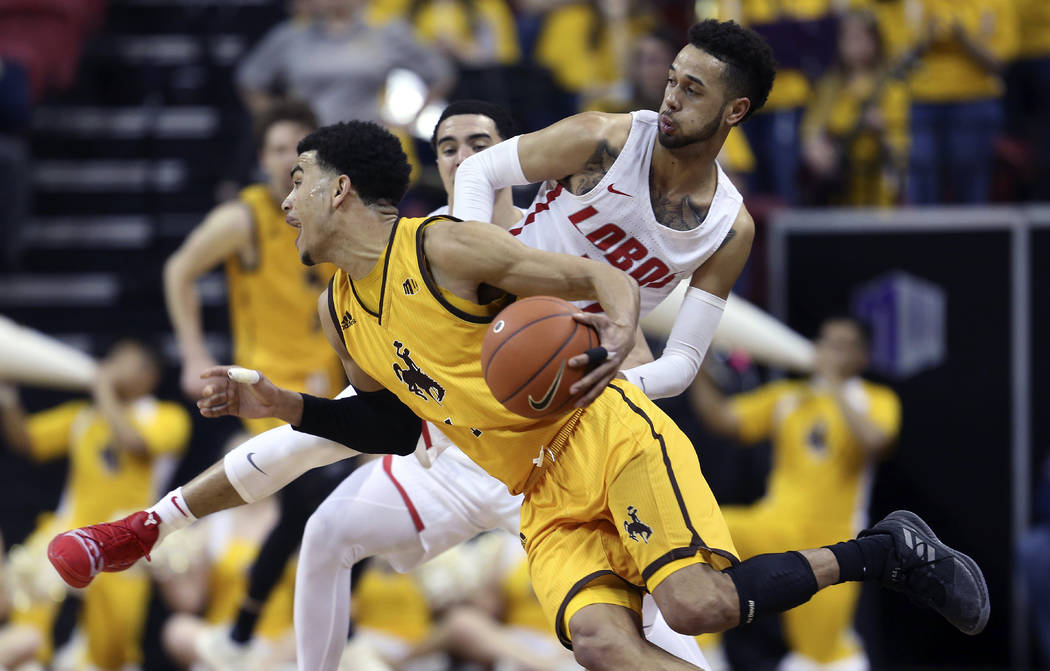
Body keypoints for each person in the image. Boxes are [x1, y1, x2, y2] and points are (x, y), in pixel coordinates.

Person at [48, 20, 988, 669]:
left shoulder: (718, 229)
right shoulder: (581, 152)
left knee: (692, 614)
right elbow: (375, 414)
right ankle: (150, 527)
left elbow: (660, 335)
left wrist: (612, 357)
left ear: (735, 111)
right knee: (334, 517)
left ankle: (884, 551)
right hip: (500, 409)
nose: (670, 96)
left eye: (693, 86)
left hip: (581, 404)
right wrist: (442, 290)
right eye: (670, 78)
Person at [296, 99, 709, 670]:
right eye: (447, 147)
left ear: (509, 159)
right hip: (462, 466)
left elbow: (628, 349)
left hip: (565, 453)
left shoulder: (539, 239)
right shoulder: (396, 262)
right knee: (326, 531)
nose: (461, 158)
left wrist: (580, 378)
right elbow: (375, 411)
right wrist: (279, 407)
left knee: (660, 620)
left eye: (477, 146)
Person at [164, 98, 357, 663]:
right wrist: (193, 353)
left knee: (340, 515)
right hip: (264, 395)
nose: (287, 161)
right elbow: (179, 270)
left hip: (331, 393)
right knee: (312, 504)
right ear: (260, 158)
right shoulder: (244, 217)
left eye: (299, 151)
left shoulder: (337, 217)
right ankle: (250, 630)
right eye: (276, 150)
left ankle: (270, 634)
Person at [691, 317, 902, 670]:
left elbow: (877, 442)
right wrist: (694, 364)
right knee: (700, 535)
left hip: (834, 545)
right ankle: (702, 656)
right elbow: (723, 419)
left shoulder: (876, 400)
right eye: (823, 341)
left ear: (861, 357)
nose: (826, 351)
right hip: (773, 526)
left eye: (839, 345)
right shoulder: (789, 397)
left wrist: (834, 385)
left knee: (822, 654)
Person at [0, 340, 191, 671]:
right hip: (66, 530)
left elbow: (134, 444)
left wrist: (101, 386)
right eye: (110, 358)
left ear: (149, 375)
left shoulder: (168, 417)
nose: (111, 365)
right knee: (29, 629)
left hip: (126, 543)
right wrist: (7, 398)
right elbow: (28, 442)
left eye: (123, 360)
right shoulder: (84, 417)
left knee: (111, 653)